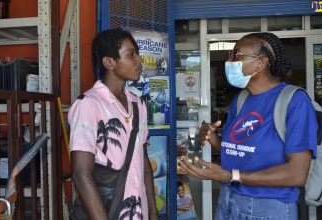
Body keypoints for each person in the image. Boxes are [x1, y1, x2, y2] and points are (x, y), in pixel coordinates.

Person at [177, 32, 318, 220]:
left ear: (260, 63)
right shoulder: (241, 99)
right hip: (228, 200)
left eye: (236, 55)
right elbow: (236, 150)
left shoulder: (295, 102)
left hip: (268, 208)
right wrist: (212, 137)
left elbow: (297, 174)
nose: (229, 61)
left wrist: (228, 175)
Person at [68, 27, 158, 220]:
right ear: (109, 62)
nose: (139, 60)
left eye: (138, 54)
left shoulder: (138, 104)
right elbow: (80, 174)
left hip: (136, 211)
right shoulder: (88, 105)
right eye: (131, 54)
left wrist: (152, 212)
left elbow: (143, 161)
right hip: (106, 211)